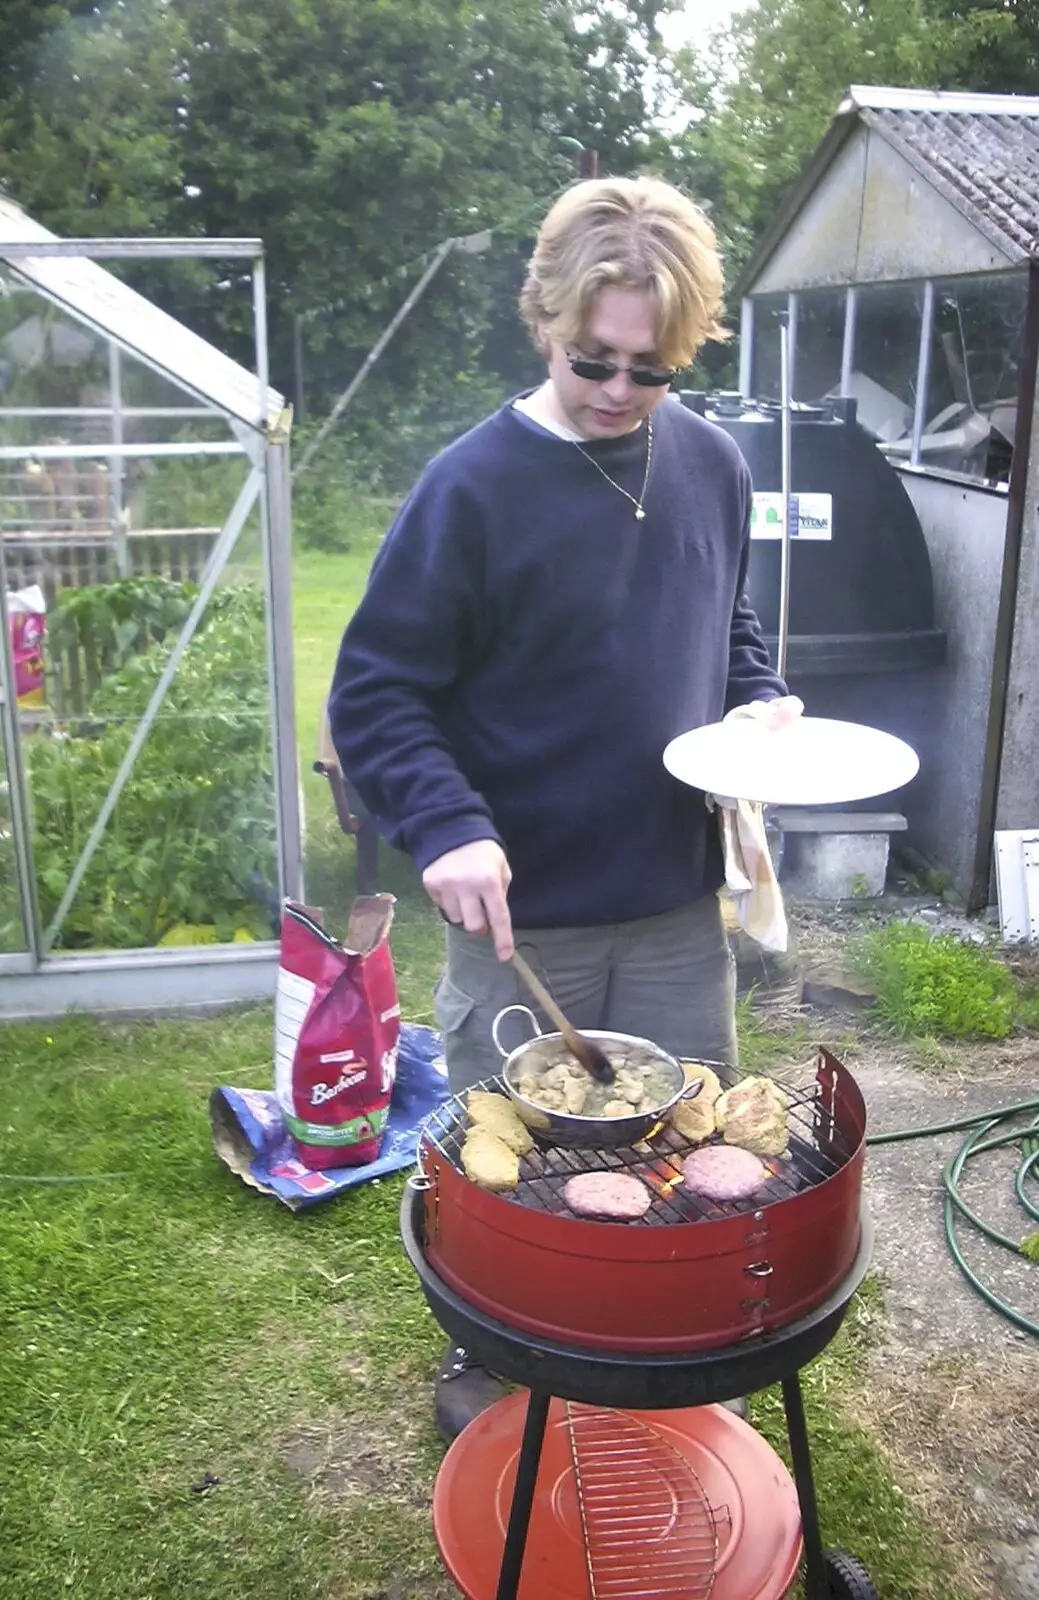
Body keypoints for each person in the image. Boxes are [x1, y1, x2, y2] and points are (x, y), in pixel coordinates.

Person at [328, 175, 801, 1441]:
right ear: (545, 318)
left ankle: (666, 1351)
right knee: (512, 1170)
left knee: (686, 1145)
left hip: (670, 904)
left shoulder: (710, 461)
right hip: (518, 918)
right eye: (592, 357)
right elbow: (375, 692)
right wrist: (446, 822)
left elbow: (729, 622)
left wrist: (757, 701)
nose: (615, 388)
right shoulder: (472, 486)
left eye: (648, 370)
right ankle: (500, 1356)